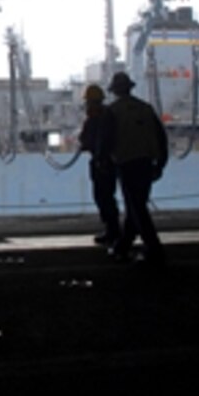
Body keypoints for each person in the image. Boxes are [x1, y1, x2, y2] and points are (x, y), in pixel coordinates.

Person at [105, 72, 168, 267]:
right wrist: (160, 163)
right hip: (146, 162)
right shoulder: (146, 109)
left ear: (115, 90)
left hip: (126, 163)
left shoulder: (112, 111)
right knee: (136, 205)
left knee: (137, 207)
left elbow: (106, 140)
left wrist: (103, 161)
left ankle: (154, 247)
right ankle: (123, 245)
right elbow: (161, 137)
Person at [78, 83, 120, 247]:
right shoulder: (102, 116)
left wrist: (98, 155)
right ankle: (113, 229)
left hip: (103, 163)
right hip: (103, 161)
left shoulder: (98, 118)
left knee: (104, 197)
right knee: (104, 196)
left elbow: (94, 140)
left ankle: (113, 230)